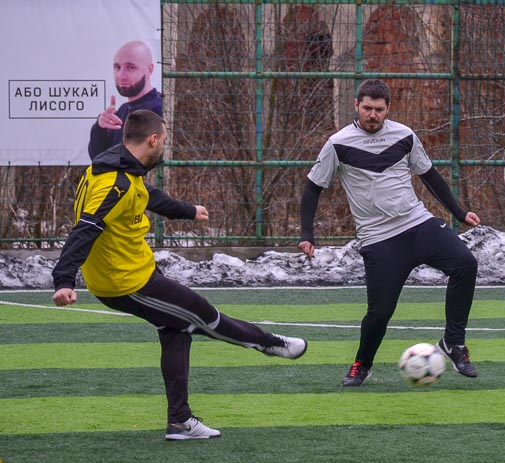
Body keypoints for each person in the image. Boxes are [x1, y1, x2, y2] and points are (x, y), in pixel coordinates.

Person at [53, 109, 307, 440]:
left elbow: (146, 196)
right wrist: (64, 280)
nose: (164, 148)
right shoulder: (113, 183)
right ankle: (269, 344)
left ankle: (180, 422)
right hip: (126, 283)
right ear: (153, 140)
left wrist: (187, 210)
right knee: (203, 316)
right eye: (165, 142)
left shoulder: (119, 167)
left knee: (175, 330)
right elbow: (85, 229)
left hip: (136, 273)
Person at [298, 79, 480, 387]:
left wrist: (459, 213)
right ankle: (362, 364)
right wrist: (307, 233)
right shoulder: (338, 143)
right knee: (380, 312)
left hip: (417, 224)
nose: (373, 115)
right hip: (378, 239)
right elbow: (313, 188)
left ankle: (454, 343)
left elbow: (430, 176)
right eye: (367, 108)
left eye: (379, 110)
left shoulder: (405, 136)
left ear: (387, 109)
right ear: (356, 106)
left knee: (466, 263)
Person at [88, 41, 163, 159]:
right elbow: (98, 157)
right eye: (117, 67)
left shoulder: (158, 109)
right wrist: (100, 127)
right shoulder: (124, 109)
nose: (121, 76)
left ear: (149, 70)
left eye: (130, 67)